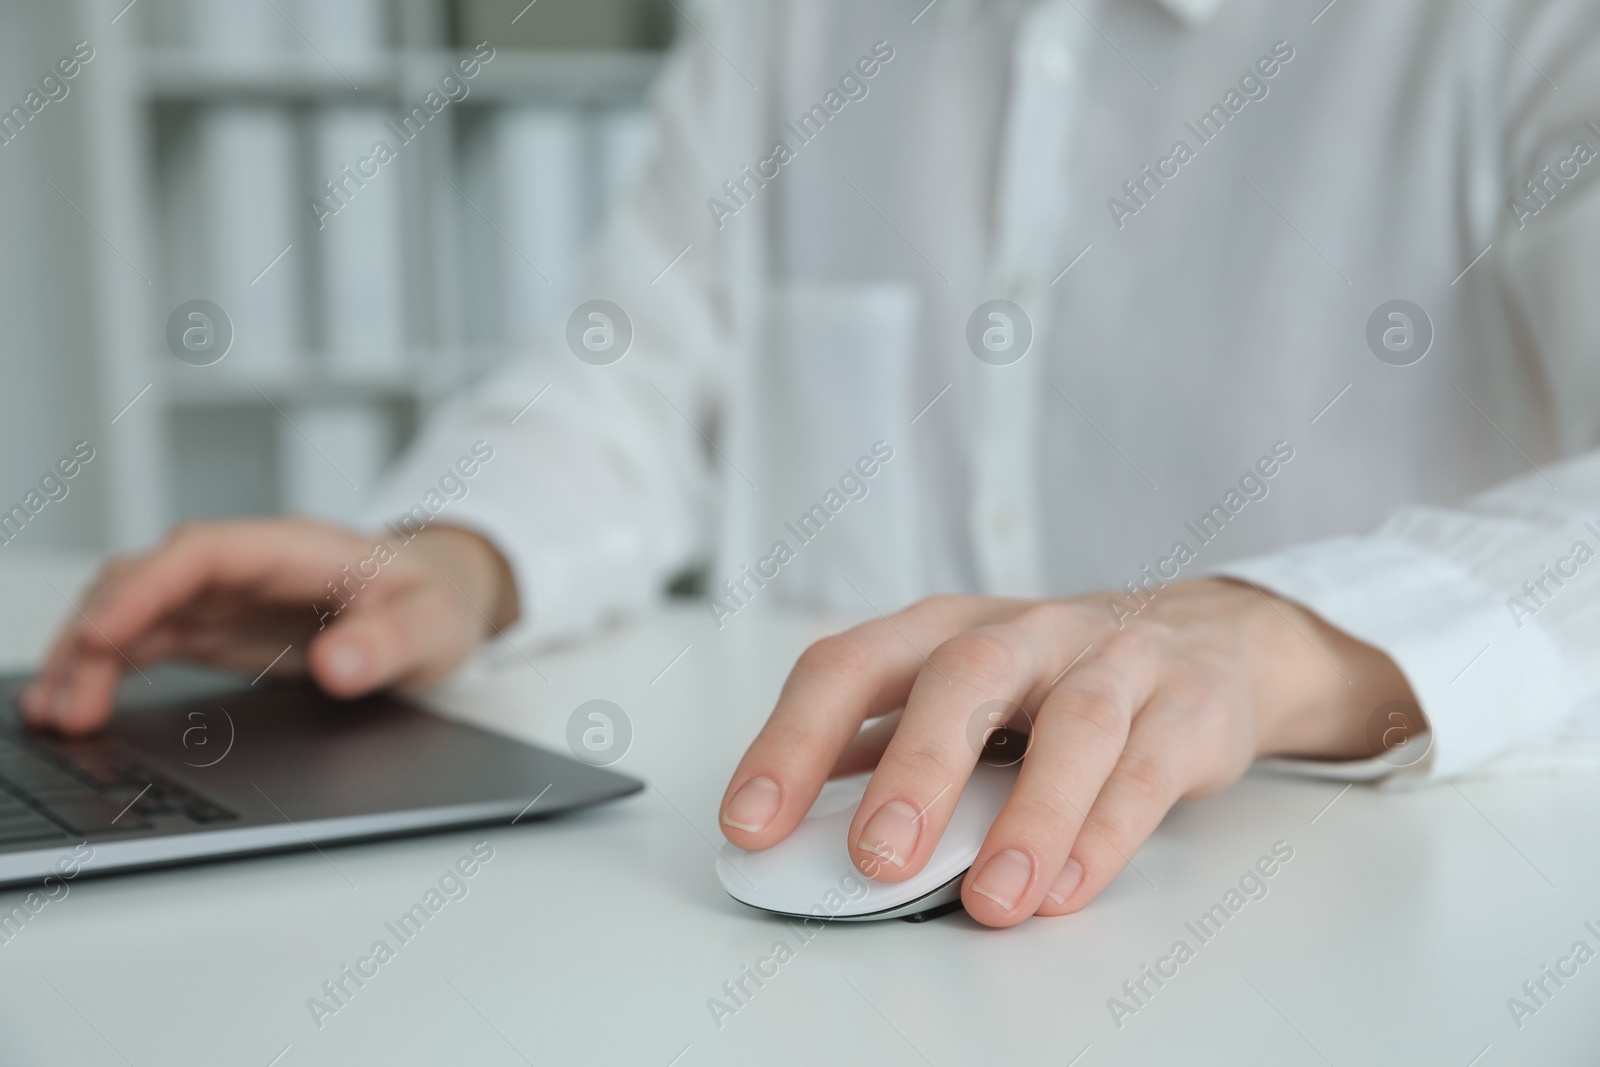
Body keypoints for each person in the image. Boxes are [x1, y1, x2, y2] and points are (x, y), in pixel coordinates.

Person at [20, 0, 1600, 928]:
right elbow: (637, 366)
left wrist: (1267, 640)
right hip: (754, 923)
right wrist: (454, 557)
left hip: (1343, 927)